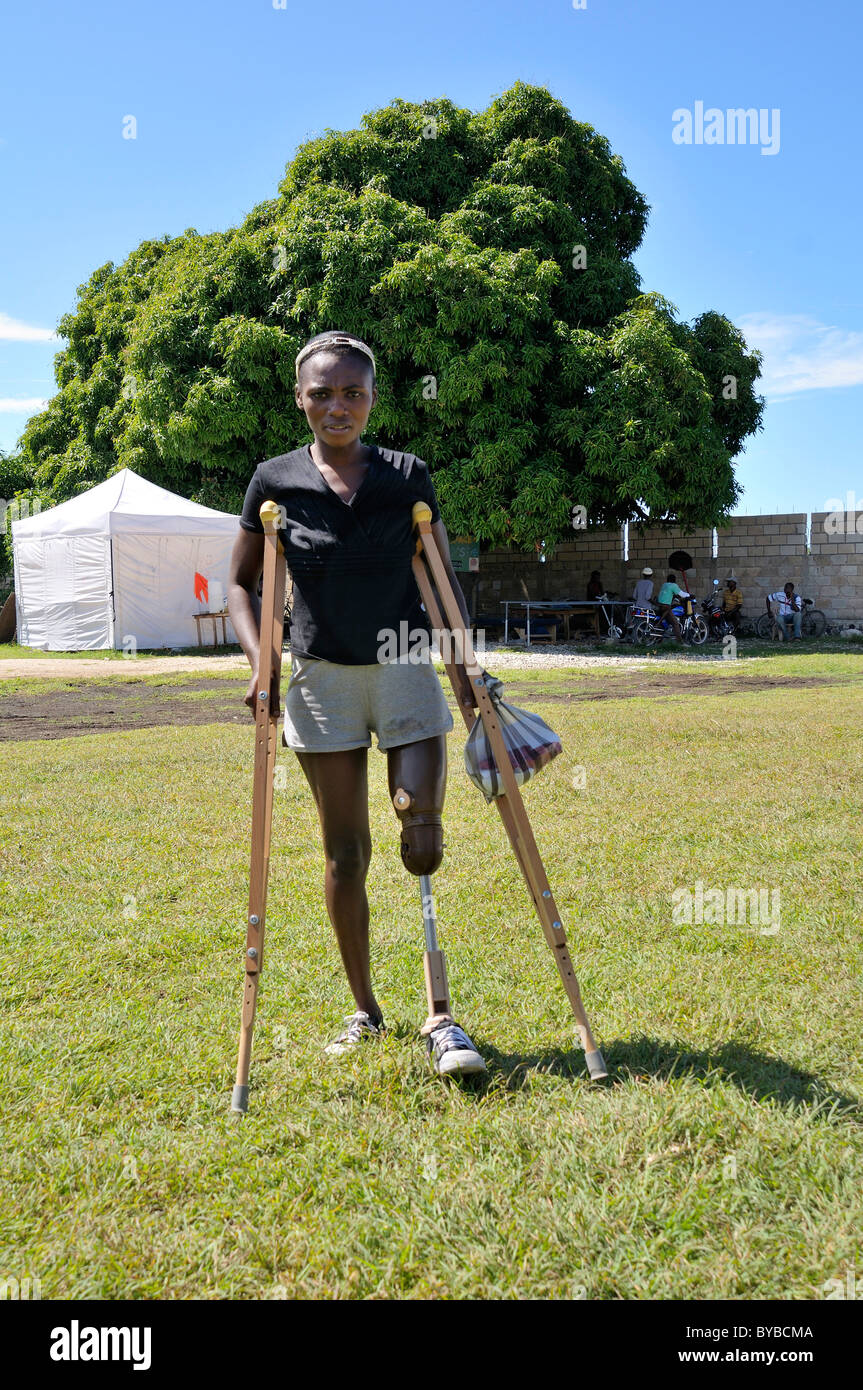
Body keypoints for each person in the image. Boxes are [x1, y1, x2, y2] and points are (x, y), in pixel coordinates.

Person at [228, 330, 486, 1076]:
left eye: (352, 393)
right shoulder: (273, 481)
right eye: (321, 393)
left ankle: (440, 1017)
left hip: (404, 664)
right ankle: (366, 1010)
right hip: (319, 678)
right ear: (300, 397)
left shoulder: (406, 475)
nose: (336, 407)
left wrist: (462, 663)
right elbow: (238, 583)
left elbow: (439, 574)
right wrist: (260, 661)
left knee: (421, 833)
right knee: (345, 852)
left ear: (372, 398)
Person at [656, 571, 688, 643]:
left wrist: (675, 596)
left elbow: (670, 594)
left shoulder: (664, 585)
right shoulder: (673, 585)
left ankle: (661, 638)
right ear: (674, 580)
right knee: (675, 623)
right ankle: (680, 642)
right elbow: (682, 594)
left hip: (659, 605)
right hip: (666, 607)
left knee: (667, 620)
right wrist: (689, 595)